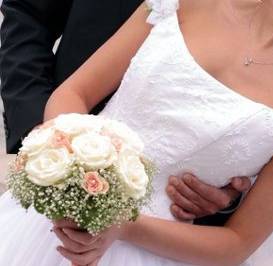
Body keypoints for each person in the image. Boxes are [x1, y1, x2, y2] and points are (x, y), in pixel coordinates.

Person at [0, 0, 273, 265]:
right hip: (45, 219)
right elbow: (76, 91)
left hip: (151, 249)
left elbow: (236, 244)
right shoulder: (185, 4)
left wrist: (121, 225)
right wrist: (66, 163)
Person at [0, 0, 250, 225]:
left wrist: (235, 189)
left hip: (181, 217)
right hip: (62, 169)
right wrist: (46, 135)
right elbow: (28, 14)